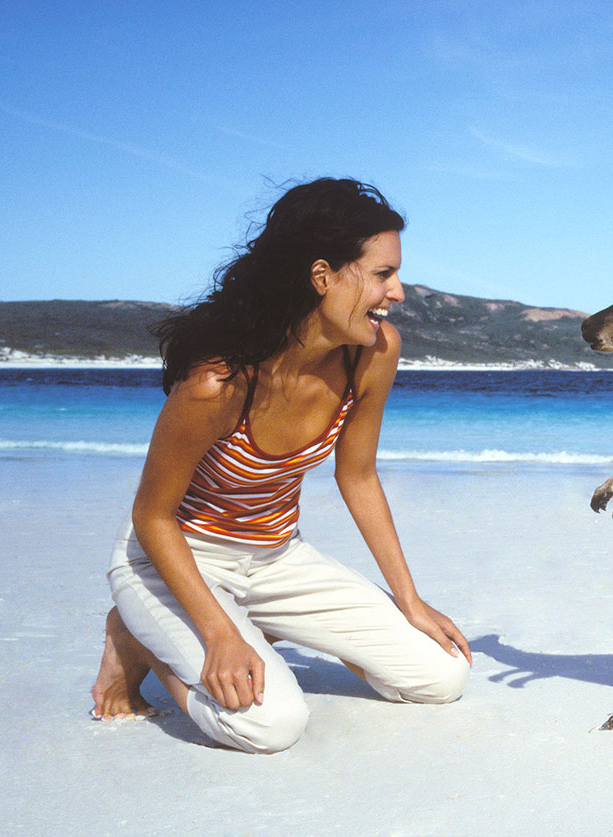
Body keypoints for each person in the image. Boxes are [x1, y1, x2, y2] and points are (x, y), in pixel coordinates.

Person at [90, 178, 470, 753]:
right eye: (383, 274)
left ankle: (256, 624)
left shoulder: (373, 352)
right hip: (175, 562)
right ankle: (138, 640)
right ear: (322, 277)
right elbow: (153, 517)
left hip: (276, 556)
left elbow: (358, 476)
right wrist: (218, 633)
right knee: (270, 724)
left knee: (441, 675)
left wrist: (409, 600)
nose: (397, 293)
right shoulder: (218, 384)